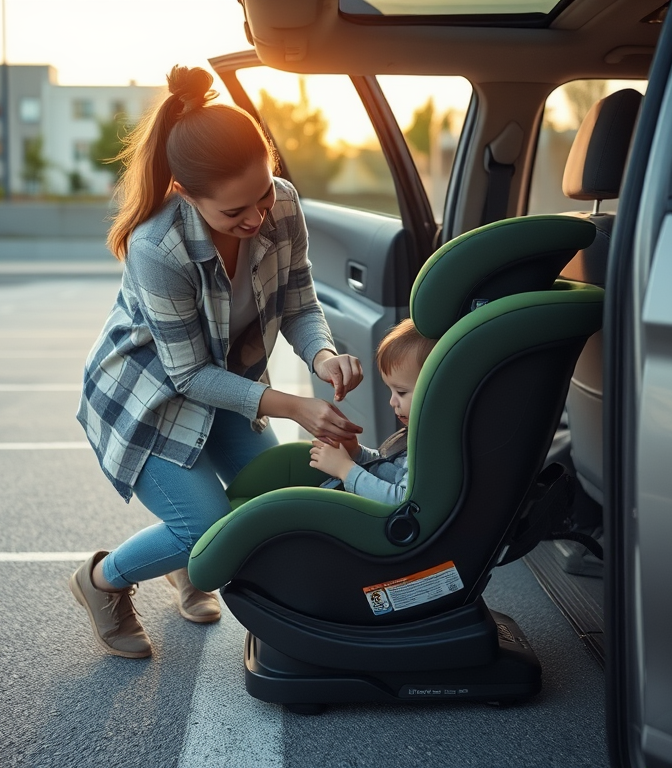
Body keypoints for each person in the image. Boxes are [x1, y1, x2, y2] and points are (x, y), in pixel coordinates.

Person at [71, 65, 364, 659]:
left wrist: (324, 354)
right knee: (208, 530)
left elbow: (299, 296)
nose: (257, 217)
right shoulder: (158, 246)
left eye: (263, 192)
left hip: (226, 385)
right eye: (235, 212)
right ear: (186, 194)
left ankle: (189, 570)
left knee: (266, 507)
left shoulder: (280, 204)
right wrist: (296, 406)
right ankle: (101, 581)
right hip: (149, 398)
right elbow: (185, 375)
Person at [309, 319, 434, 505]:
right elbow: (391, 470)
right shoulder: (417, 432)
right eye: (390, 390)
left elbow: (401, 501)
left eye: (401, 392)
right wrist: (358, 453)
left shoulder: (431, 448)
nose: (392, 402)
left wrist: (345, 469)